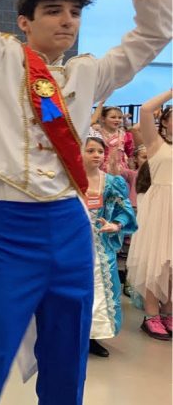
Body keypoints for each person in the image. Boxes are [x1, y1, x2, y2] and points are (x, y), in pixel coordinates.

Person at [0, 0, 171, 404]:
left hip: (68, 225)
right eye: (53, 11)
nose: (67, 21)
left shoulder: (90, 72)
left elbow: (155, 32)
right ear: (24, 22)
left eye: (74, 13)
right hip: (5, 223)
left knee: (67, 357)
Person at [82, 135, 137, 356]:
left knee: (100, 291)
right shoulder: (68, 181)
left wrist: (115, 225)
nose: (97, 155)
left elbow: (125, 211)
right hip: (73, 245)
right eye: (91, 151)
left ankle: (93, 336)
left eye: (100, 152)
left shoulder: (112, 182)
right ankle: (70, 335)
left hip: (100, 247)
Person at [126, 90, 172, 340]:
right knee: (157, 260)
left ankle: (169, 313)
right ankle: (152, 316)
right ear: (164, 121)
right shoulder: (156, 144)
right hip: (160, 206)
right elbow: (144, 110)